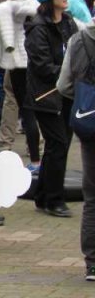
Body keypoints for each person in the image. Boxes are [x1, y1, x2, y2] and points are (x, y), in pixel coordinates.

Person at [24, 0, 78, 217]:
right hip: (45, 97)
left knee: (59, 146)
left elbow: (78, 51)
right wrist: (68, 73)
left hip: (66, 94)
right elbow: (42, 65)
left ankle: (44, 195)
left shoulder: (68, 22)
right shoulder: (37, 27)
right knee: (58, 144)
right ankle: (54, 199)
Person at [57, 20, 95, 281]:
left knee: (92, 197)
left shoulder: (78, 40)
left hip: (90, 122)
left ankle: (92, 262)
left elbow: (63, 86)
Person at [0, 0, 41, 171]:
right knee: (34, 112)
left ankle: (35, 161)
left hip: (17, 64)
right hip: (34, 63)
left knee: (26, 111)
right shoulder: (36, 8)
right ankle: (37, 157)